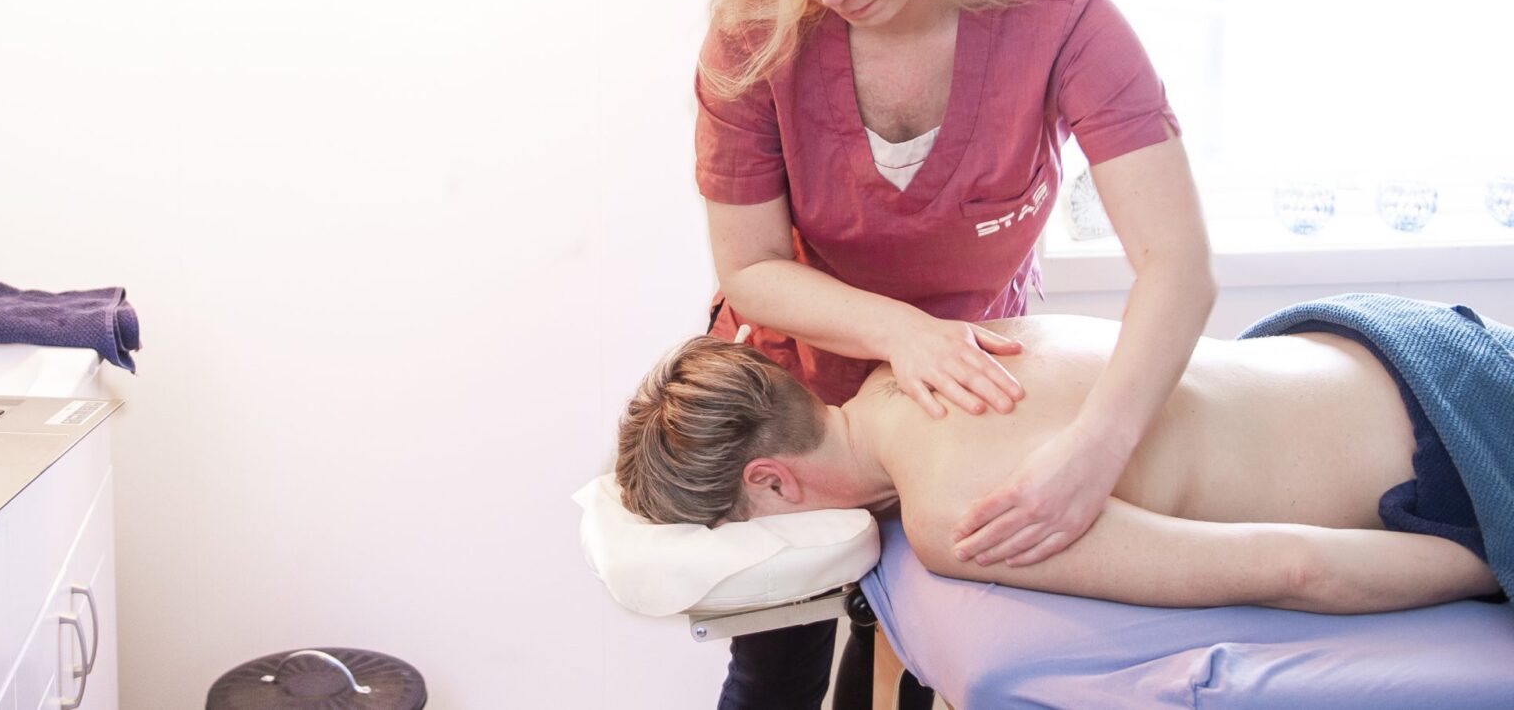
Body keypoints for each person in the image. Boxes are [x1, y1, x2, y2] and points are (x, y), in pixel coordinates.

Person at [693, 0, 1215, 705]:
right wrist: (903, 333)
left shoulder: (1058, 14)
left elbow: (1177, 265)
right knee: (776, 665)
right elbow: (752, 265)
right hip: (801, 398)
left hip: (974, 403)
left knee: (935, 658)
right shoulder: (750, 33)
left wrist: (1099, 447)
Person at [613, 294, 1509, 614]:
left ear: (769, 478)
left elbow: (1295, 567)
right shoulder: (934, 353)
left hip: (1457, 452)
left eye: (745, 521)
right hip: (1396, 336)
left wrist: (1490, 566)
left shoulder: (947, 516)